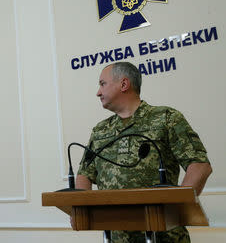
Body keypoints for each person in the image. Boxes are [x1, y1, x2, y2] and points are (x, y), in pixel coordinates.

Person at [75, 62, 212, 242]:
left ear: (124, 84)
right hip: (115, 236)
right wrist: (81, 210)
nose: (98, 92)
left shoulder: (166, 118)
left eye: (102, 84)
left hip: (163, 235)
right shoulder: (101, 130)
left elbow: (200, 165)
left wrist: (175, 209)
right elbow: (84, 174)